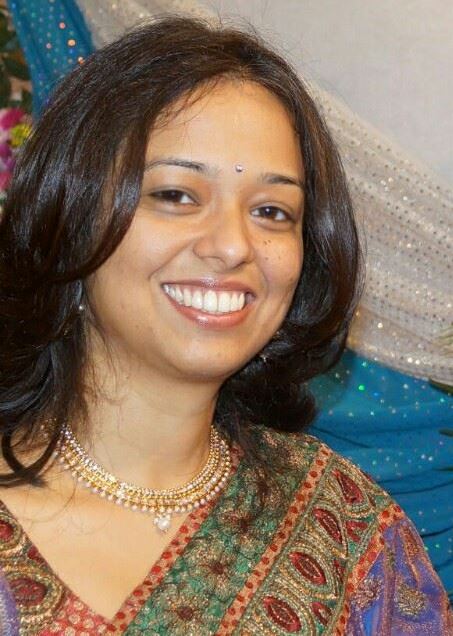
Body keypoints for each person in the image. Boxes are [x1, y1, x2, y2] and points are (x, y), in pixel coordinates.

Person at [0, 14, 450, 635]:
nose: (234, 246)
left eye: (272, 211)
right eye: (176, 195)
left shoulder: (347, 531)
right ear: (70, 216)